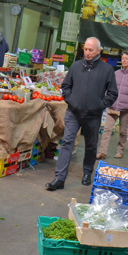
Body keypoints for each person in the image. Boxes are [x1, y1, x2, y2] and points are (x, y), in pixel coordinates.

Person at [45, 37, 118, 191]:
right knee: (67, 143)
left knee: (91, 146)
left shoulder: (107, 70)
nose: (87, 52)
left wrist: (99, 106)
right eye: (85, 49)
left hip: (93, 115)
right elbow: (66, 87)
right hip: (73, 112)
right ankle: (59, 178)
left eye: (91, 50)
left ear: (99, 51)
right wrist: (72, 102)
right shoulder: (76, 66)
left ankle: (87, 173)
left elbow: (112, 94)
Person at [97, 51, 128, 160]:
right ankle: (102, 152)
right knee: (107, 129)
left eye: (126, 58)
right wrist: (107, 99)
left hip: (127, 109)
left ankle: (120, 151)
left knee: (123, 131)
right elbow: (108, 88)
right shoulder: (115, 74)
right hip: (113, 106)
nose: (124, 60)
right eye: (122, 58)